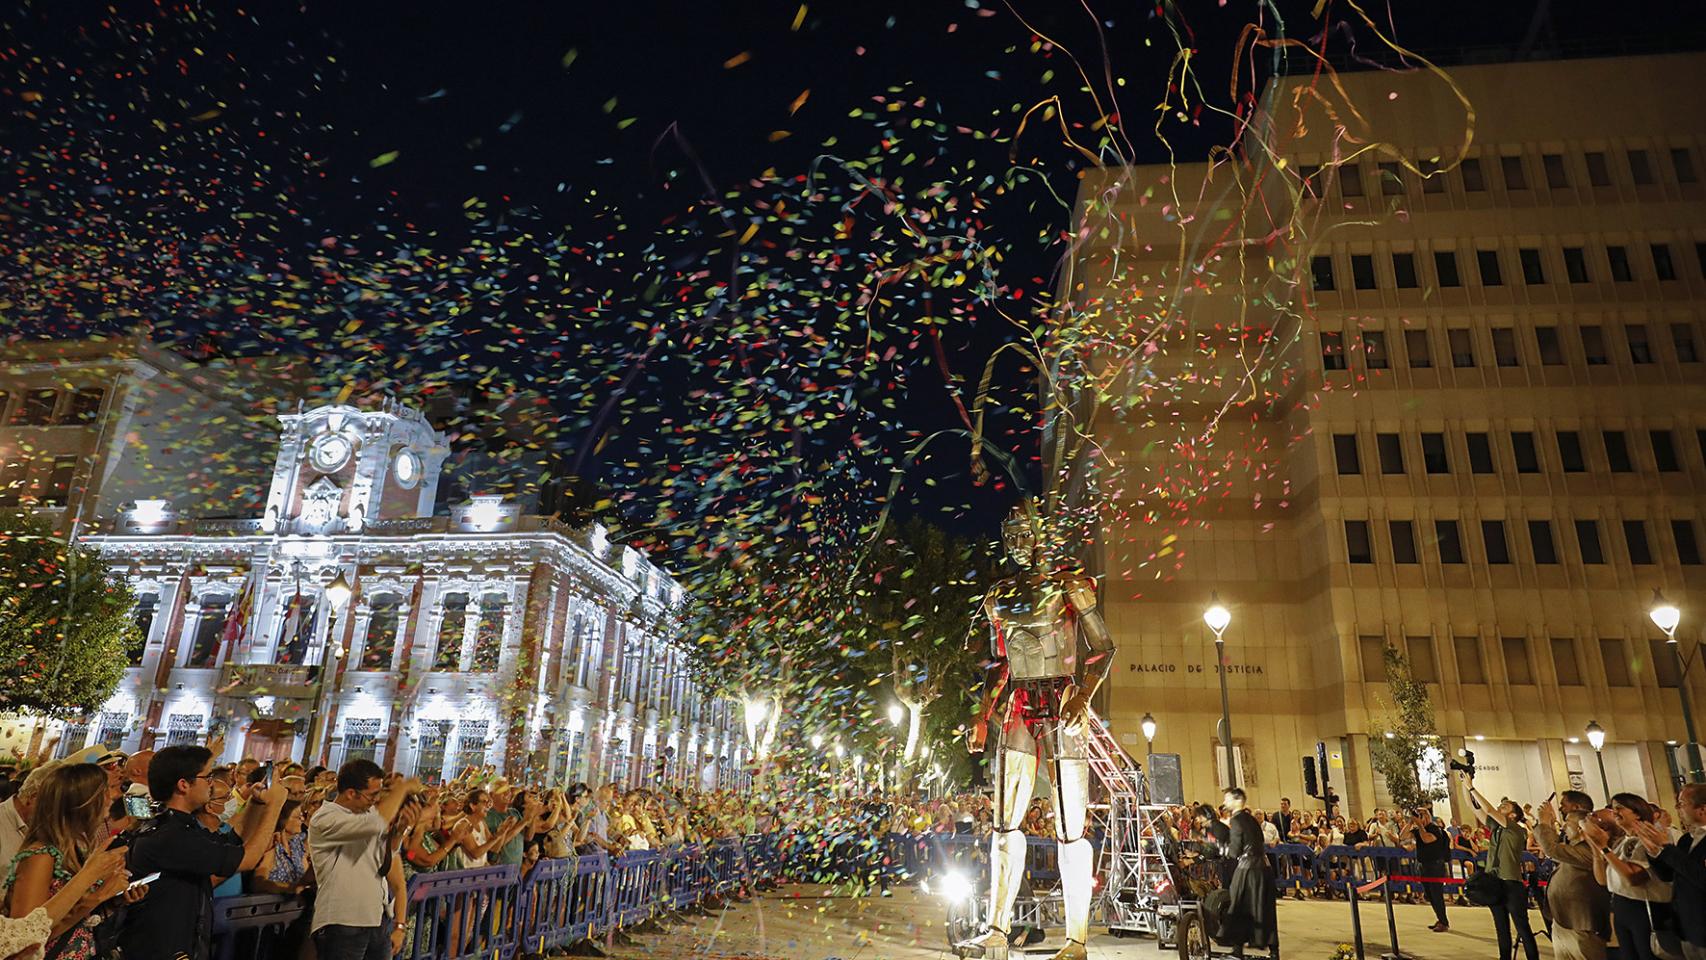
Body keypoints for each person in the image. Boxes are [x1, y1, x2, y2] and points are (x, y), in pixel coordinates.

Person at [121, 746, 286, 960]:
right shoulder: (171, 835)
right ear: (183, 785)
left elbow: (230, 842)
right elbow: (246, 859)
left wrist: (256, 803)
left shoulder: (178, 825)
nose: (211, 783)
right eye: (207, 777)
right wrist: (275, 805)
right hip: (162, 949)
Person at [3, 765, 133, 960]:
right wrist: (93, 888)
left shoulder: (73, 849)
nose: (111, 798)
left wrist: (110, 898)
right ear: (81, 802)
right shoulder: (41, 854)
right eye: (103, 792)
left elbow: (68, 915)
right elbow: (24, 939)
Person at [307, 759, 419, 960]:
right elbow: (375, 822)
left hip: (375, 919)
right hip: (342, 921)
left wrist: (399, 832)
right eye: (373, 794)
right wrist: (402, 789)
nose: (376, 800)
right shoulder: (326, 818)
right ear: (351, 793)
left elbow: (384, 860)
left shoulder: (365, 817)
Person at [1582, 792, 1675, 960]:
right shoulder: (1622, 841)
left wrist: (1604, 849)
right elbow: (1602, 880)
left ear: (1637, 812)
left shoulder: (1649, 838)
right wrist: (1596, 848)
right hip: (1622, 906)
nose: (1614, 812)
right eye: (1613, 808)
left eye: (1620, 808)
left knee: (1648, 955)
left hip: (1643, 908)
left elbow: (1634, 878)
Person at [1465, 780, 1538, 960]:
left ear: (1513, 815)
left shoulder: (1516, 829)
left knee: (1522, 928)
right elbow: (1474, 808)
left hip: (1512, 883)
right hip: (1494, 883)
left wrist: (1473, 787)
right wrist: (1465, 784)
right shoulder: (1496, 829)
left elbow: (1489, 810)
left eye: (1504, 806)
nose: (1500, 807)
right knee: (1501, 928)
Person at [1535, 791, 1610, 960]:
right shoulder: (1573, 844)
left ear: (1581, 828)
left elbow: (1552, 849)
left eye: (1567, 823)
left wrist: (1544, 823)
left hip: (1581, 923)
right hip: (1563, 920)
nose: (1563, 826)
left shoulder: (1589, 849)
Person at [1636, 783, 1705, 960]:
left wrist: (1666, 848)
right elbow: (1669, 875)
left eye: (1682, 804)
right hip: (1688, 927)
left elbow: (1701, 877)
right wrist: (1654, 851)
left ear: (1702, 810)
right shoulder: (1686, 840)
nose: (1677, 809)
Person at [1221, 788, 1277, 953]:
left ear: (1238, 800)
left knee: (1238, 906)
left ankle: (1237, 949)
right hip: (1264, 869)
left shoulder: (1236, 820)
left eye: (1227, 799)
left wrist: (1223, 848)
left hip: (1248, 869)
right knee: (1264, 908)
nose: (1225, 803)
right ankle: (1273, 950)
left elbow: (1235, 850)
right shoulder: (1252, 819)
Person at [1405, 806, 1452, 932]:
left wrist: (1420, 825)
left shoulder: (1435, 829)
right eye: (1419, 815)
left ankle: (1443, 922)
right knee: (1429, 895)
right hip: (1424, 866)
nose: (1420, 818)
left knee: (1436, 895)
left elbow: (1427, 839)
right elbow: (1402, 836)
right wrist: (1410, 822)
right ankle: (1440, 919)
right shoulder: (1418, 829)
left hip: (1435, 865)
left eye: (1422, 815)